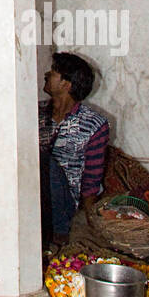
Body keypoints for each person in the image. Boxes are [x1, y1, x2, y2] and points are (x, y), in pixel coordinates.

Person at [39, 51, 109, 249]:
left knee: (43, 159)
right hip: (32, 194)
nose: (46, 74)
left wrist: (89, 220)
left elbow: (92, 179)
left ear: (66, 84)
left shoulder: (94, 124)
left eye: (53, 72)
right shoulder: (35, 112)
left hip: (63, 203)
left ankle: (58, 231)